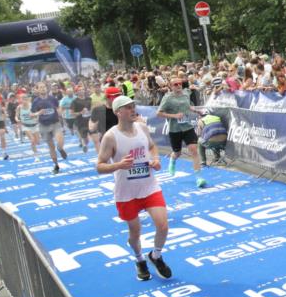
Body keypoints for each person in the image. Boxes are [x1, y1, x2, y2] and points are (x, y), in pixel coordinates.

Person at [96, 95, 172, 282]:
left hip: (149, 186)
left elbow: (152, 147)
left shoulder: (142, 127)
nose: (133, 109)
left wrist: (155, 159)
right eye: (127, 107)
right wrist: (118, 165)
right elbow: (99, 166)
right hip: (126, 192)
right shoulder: (110, 136)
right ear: (117, 112)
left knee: (163, 226)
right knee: (135, 232)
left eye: (133, 106)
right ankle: (139, 260)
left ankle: (155, 255)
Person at [157, 78, 206, 188]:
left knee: (194, 150)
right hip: (175, 129)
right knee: (177, 153)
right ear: (171, 86)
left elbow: (187, 106)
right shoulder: (167, 98)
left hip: (187, 127)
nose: (178, 85)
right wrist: (174, 116)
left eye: (180, 84)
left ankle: (199, 178)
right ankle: (172, 160)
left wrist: (195, 110)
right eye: (175, 84)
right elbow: (159, 113)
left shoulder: (186, 94)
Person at [30, 83, 68, 173]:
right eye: (41, 87)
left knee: (59, 141)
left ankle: (61, 149)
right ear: (38, 90)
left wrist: (60, 112)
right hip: (44, 126)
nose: (43, 89)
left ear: (46, 88)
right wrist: (38, 113)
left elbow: (58, 108)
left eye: (44, 87)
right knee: (51, 147)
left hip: (55, 123)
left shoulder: (52, 99)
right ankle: (56, 165)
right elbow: (31, 114)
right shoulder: (36, 101)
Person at [70, 84, 92, 153]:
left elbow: (92, 107)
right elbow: (72, 113)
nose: (81, 91)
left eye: (82, 90)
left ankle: (85, 144)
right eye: (79, 90)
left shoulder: (89, 99)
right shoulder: (74, 101)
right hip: (80, 121)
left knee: (89, 136)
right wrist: (80, 112)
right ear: (76, 92)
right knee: (83, 136)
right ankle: (84, 145)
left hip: (90, 119)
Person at [17, 94, 41, 160]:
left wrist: (36, 116)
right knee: (32, 140)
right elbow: (16, 116)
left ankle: (35, 147)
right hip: (26, 126)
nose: (24, 100)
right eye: (22, 99)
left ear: (28, 99)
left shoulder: (32, 106)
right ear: (20, 100)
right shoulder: (19, 107)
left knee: (38, 142)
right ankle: (36, 155)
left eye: (25, 99)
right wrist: (17, 119)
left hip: (34, 125)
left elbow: (37, 113)